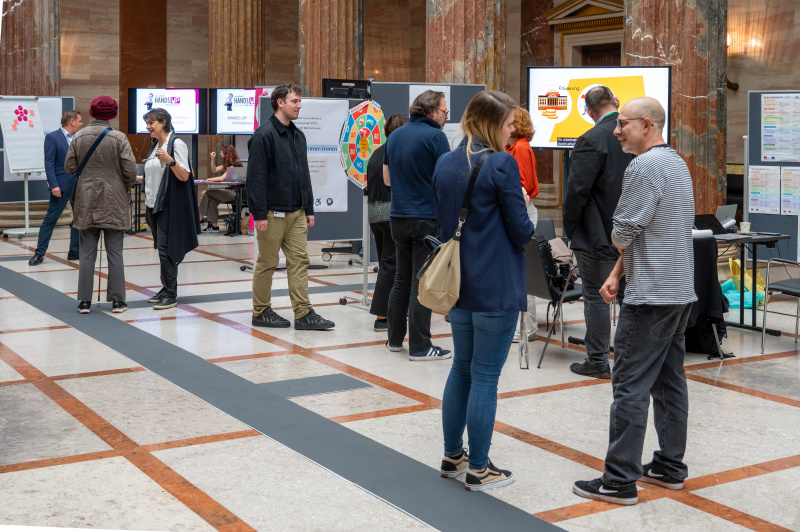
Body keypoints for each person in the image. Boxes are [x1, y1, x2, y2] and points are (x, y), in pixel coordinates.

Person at [573, 97, 696, 506]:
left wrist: (615, 242)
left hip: (650, 297)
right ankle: (669, 466)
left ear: (646, 124)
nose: (616, 130)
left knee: (628, 384)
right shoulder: (677, 163)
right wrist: (615, 274)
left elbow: (624, 232)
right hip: (678, 291)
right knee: (669, 381)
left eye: (623, 123)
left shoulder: (643, 167)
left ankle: (619, 480)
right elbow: (651, 233)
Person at [434, 91, 534, 491]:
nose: (511, 132)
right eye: (508, 124)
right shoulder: (500, 163)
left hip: (456, 282)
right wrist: (522, 204)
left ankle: (452, 455)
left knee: (462, 367)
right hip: (495, 284)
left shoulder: (446, 161)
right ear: (492, 123)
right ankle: (479, 467)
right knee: (486, 375)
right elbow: (522, 231)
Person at [247, 82, 335, 330]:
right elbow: (256, 178)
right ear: (280, 103)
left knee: (299, 261)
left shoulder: (298, 135)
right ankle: (260, 311)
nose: (299, 106)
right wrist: (259, 213)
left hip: (296, 212)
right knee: (267, 263)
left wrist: (309, 208)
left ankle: (303, 313)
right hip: (272, 213)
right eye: (295, 101)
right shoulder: (264, 135)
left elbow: (304, 174)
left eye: (299, 101)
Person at [562, 85, 633, 379]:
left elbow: (576, 192)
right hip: (633, 233)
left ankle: (598, 361)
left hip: (597, 235)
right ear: (615, 101)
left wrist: (570, 228)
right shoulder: (637, 137)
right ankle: (630, 361)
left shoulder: (590, 139)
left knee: (596, 295)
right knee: (629, 297)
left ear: (589, 111)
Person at [383, 90, 451, 360]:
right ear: (432, 111)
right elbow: (447, 177)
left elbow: (388, 177)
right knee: (421, 282)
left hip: (398, 216)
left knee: (401, 279)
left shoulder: (395, 136)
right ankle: (421, 347)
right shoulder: (436, 137)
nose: (446, 116)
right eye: (444, 111)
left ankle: (394, 339)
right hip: (425, 218)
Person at [65, 96, 137, 314]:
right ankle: (118, 302)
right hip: (114, 199)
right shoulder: (119, 137)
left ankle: (84, 302)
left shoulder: (79, 136)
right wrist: (121, 184)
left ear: (91, 112)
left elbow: (69, 166)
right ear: (112, 114)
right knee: (115, 252)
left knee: (87, 253)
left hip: (86, 199)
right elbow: (130, 171)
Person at [141, 108, 201, 310]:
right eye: (147, 123)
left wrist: (170, 160)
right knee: (162, 250)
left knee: (167, 250)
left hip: (169, 205)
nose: (148, 127)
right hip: (154, 205)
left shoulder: (176, 144)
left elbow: (185, 175)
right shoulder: (155, 146)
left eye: (151, 123)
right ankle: (166, 288)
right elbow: (152, 176)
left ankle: (171, 294)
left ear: (164, 122)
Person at [366, 114, 407, 332]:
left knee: (386, 263)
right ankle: (382, 316)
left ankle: (393, 309)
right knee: (391, 264)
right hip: (391, 212)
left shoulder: (376, 153)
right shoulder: (398, 152)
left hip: (375, 214)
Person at [29, 110, 83, 266]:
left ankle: (74, 251)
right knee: (50, 219)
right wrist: (54, 185)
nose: (81, 124)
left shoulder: (79, 138)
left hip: (78, 184)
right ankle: (39, 253)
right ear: (72, 121)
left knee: (78, 220)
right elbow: (49, 163)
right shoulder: (52, 137)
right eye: (79, 121)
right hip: (61, 186)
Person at [506, 106, 539, 343]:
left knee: (523, 273)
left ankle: (526, 328)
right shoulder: (517, 147)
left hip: (523, 211)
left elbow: (522, 186)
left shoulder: (520, 148)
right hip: (523, 210)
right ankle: (525, 327)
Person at [201, 145, 242, 232]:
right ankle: (214, 226)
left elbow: (221, 178)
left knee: (208, 193)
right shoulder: (227, 165)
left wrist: (208, 180)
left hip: (234, 193)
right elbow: (214, 170)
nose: (220, 153)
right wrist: (212, 159)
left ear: (227, 154)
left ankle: (199, 217)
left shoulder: (233, 166)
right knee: (211, 199)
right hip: (230, 192)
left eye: (222, 152)